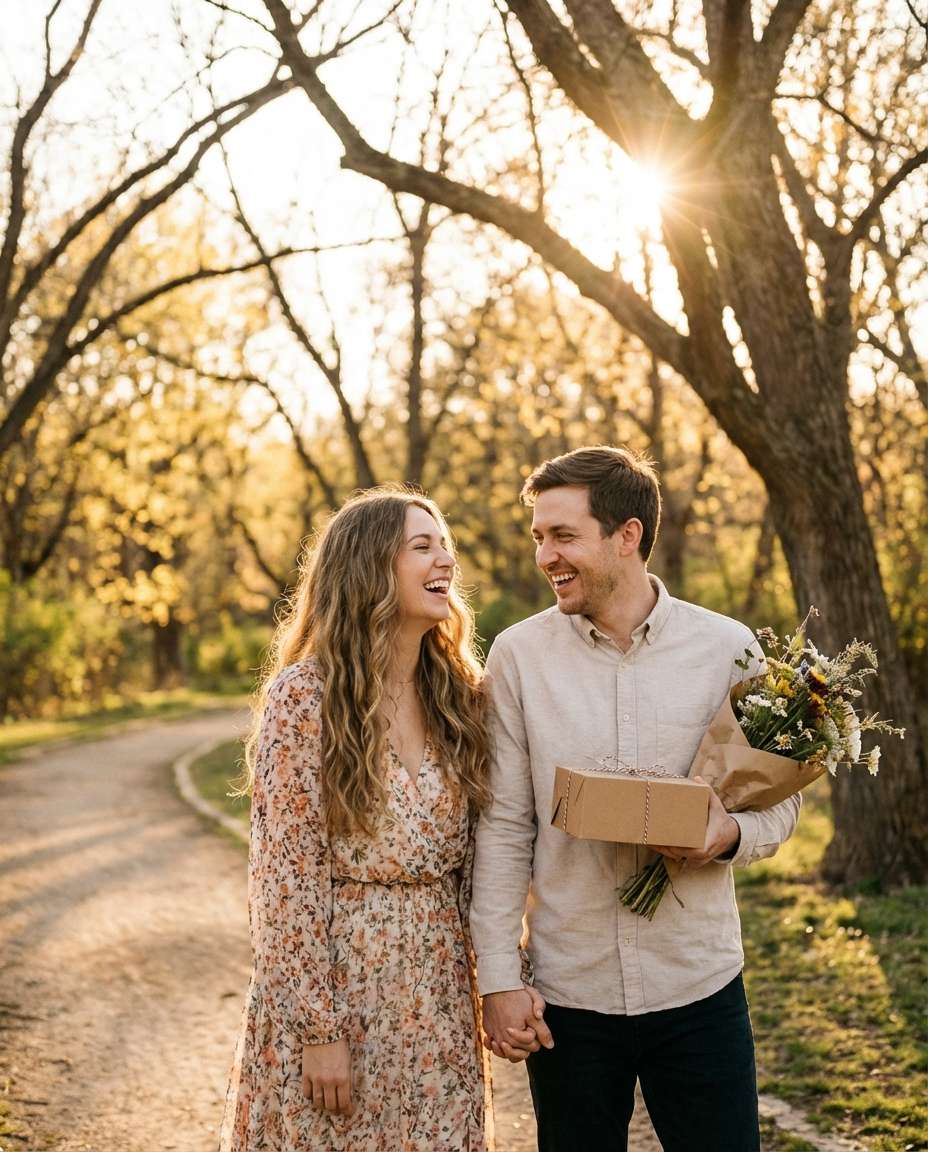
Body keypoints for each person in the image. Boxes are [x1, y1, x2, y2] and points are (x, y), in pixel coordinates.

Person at [470, 446, 801, 1152]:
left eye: (563, 536)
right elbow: (503, 827)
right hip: (571, 996)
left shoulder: (728, 648)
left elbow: (781, 801)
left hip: (699, 987)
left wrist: (726, 836)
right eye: (539, 537)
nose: (545, 556)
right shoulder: (518, 658)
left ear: (627, 535)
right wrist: (497, 979)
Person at [221, 487, 542, 1152]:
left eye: (445, 545)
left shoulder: (460, 697)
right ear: (369, 567)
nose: (445, 560)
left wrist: (506, 979)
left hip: (436, 1002)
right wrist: (318, 1031)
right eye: (422, 547)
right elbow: (285, 883)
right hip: (340, 1000)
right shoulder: (304, 698)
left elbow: (486, 861)